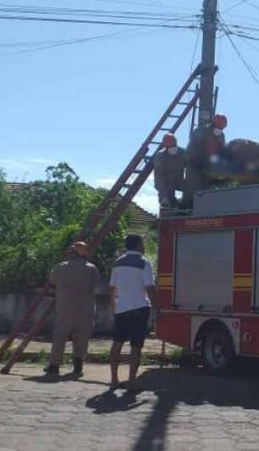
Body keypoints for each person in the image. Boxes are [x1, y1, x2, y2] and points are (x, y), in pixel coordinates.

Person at [108, 234, 159, 391]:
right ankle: (131, 381)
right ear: (137, 245)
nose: (143, 247)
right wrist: (156, 306)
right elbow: (149, 287)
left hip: (121, 308)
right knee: (136, 346)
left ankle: (114, 380)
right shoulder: (144, 263)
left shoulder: (117, 263)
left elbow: (112, 288)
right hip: (139, 308)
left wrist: (114, 307)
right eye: (142, 244)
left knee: (117, 344)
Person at [44, 241, 100, 376]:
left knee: (60, 337)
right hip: (85, 310)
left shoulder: (60, 268)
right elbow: (96, 284)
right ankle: (78, 364)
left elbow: (52, 280)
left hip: (65, 309)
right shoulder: (91, 269)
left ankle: (54, 365)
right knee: (82, 338)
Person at [183, 113, 227, 206]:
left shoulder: (221, 136)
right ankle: (186, 207)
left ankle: (204, 207)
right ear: (212, 124)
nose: (220, 130)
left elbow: (222, 151)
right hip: (194, 164)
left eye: (221, 128)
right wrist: (198, 162)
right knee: (192, 186)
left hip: (208, 166)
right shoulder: (200, 132)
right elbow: (192, 149)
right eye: (218, 127)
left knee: (206, 188)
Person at [153, 133, 186, 209]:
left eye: (173, 146)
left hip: (179, 180)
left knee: (191, 186)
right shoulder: (160, 156)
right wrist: (164, 196)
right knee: (167, 198)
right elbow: (159, 178)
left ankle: (187, 202)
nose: (172, 148)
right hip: (166, 183)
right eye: (170, 147)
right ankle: (167, 203)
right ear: (166, 147)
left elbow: (192, 167)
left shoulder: (183, 153)